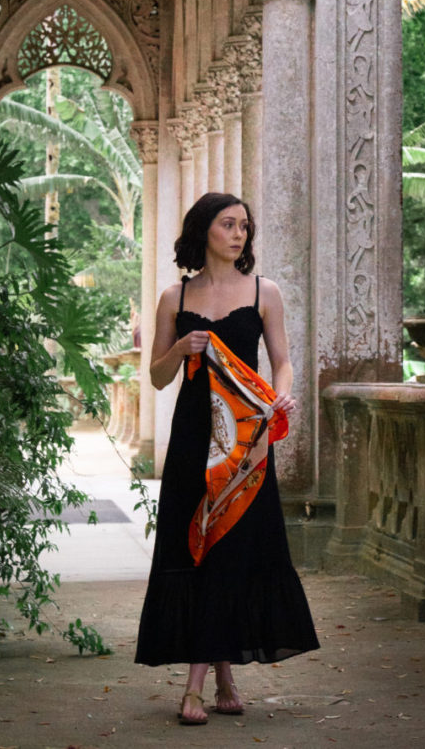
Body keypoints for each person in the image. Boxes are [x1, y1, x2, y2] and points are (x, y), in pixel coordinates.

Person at [135, 192, 319, 724]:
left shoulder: (266, 292)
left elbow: (282, 362)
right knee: (195, 546)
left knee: (232, 549)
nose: (239, 234)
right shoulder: (175, 296)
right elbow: (157, 376)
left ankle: (203, 682)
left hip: (246, 440)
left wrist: (280, 395)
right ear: (204, 231)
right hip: (194, 439)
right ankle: (212, 676)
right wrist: (180, 350)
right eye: (228, 224)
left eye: (245, 226)